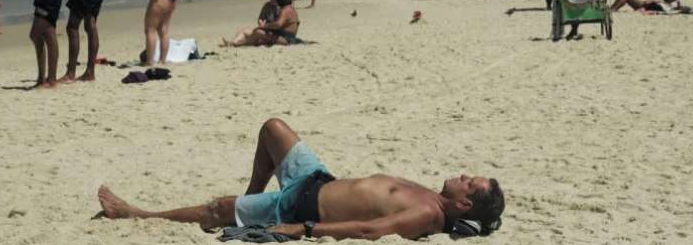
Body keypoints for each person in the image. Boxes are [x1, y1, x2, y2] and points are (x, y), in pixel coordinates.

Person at [95, 117, 505, 240]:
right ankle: (247, 200)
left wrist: (303, 227)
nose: (464, 174)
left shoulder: (425, 214)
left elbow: (370, 229)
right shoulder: (432, 196)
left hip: (301, 205)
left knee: (215, 209)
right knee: (272, 128)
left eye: (469, 182)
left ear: (463, 203)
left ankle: (134, 213)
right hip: (317, 179)